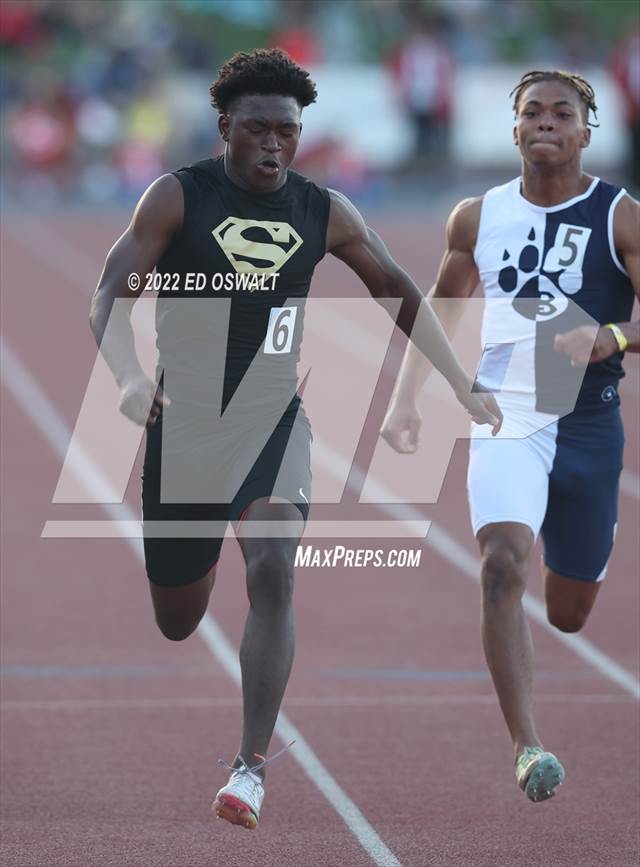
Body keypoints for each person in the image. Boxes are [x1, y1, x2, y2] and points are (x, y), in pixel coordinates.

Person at [89, 48, 500, 830]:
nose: (274, 145)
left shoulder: (323, 208)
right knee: (178, 617)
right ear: (225, 130)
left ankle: (249, 767)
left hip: (275, 420)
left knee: (275, 565)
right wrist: (129, 377)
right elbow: (106, 295)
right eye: (258, 130)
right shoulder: (177, 198)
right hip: (185, 432)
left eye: (288, 131)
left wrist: (456, 379)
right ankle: (198, 555)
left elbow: (396, 287)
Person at [381, 70, 639, 802]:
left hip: (588, 424)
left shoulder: (621, 217)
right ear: (515, 129)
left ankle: (579, 568)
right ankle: (528, 747)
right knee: (500, 565)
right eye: (532, 112)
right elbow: (442, 307)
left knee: (568, 612)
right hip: (506, 418)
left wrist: (612, 333)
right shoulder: (475, 216)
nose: (546, 122)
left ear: (588, 133)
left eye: (564, 113)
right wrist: (407, 400)